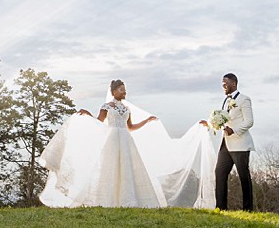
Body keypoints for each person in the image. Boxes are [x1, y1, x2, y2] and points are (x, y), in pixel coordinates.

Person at [39, 79, 216, 208]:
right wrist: (87, 115)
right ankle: (106, 201)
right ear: (114, 91)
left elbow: (130, 127)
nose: (125, 93)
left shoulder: (126, 108)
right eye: (122, 90)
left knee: (128, 169)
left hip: (126, 140)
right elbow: (99, 122)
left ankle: (130, 200)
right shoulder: (106, 106)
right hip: (112, 140)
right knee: (109, 168)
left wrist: (146, 121)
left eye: (125, 90)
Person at [199, 72, 255, 210]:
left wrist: (234, 131)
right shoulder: (225, 101)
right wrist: (210, 124)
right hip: (226, 144)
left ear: (233, 83)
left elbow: (249, 121)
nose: (223, 86)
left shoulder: (244, 99)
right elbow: (224, 121)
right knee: (219, 172)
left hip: (240, 144)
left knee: (243, 177)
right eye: (222, 84)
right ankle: (221, 208)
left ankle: (248, 209)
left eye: (225, 84)